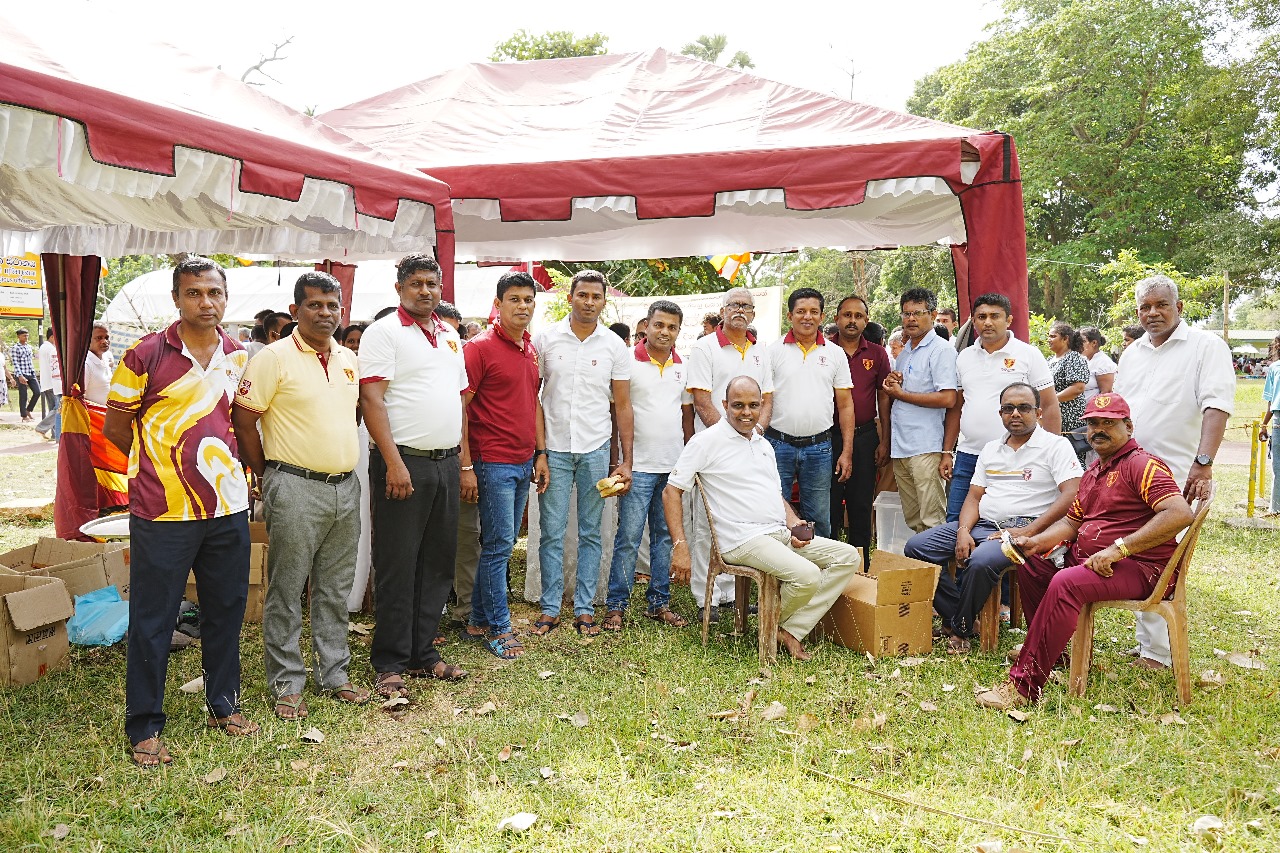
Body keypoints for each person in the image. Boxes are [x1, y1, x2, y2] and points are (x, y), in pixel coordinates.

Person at [103, 256, 258, 767]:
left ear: (225, 297)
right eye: (194, 293)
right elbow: (117, 429)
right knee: (153, 617)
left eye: (213, 292)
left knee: (226, 609)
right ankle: (145, 726)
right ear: (176, 299)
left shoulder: (238, 354)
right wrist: (159, 470)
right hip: (161, 509)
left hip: (227, 505)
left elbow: (235, 422)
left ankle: (224, 705)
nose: (205, 302)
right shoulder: (143, 355)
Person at [975, 394, 1194, 708]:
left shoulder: (1142, 465)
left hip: (1141, 567)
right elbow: (1071, 522)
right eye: (1093, 423)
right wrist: (1036, 542)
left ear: (1129, 426)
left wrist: (1119, 549)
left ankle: (1023, 686)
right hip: (1096, 562)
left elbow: (1178, 514)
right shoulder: (1095, 470)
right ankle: (1057, 655)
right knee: (1032, 564)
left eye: (1109, 422)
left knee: (1066, 584)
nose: (1099, 429)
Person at [232, 272, 369, 719]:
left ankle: (335, 674)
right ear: (295, 311)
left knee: (334, 587)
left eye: (333, 305)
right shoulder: (272, 358)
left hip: (345, 488)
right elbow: (244, 420)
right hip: (293, 485)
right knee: (288, 589)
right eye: (315, 305)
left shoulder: (349, 357)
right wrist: (267, 473)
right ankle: (288, 683)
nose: (325, 313)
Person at [663, 377, 861, 660]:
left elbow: (775, 495)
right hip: (740, 539)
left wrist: (794, 523)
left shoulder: (762, 444)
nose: (746, 412)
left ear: (761, 406)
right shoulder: (706, 441)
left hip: (776, 532)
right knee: (807, 575)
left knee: (847, 557)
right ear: (724, 405)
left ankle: (788, 628)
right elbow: (671, 492)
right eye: (738, 405)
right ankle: (771, 626)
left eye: (753, 405)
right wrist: (680, 545)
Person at [359, 254, 470, 700]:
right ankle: (389, 660)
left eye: (433, 284)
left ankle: (424, 652)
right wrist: (394, 462)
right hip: (403, 463)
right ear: (400, 287)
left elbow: (459, 399)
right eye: (417, 284)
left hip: (445, 462)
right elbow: (372, 399)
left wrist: (461, 460)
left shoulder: (449, 336)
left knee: (438, 561)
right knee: (398, 563)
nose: (426, 291)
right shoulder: (384, 332)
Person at [906, 382, 1081, 653]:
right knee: (917, 548)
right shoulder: (990, 449)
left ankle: (960, 629)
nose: (1015, 414)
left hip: (1029, 527)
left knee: (981, 561)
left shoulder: (1055, 446)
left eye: (1024, 408)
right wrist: (963, 529)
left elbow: (1072, 493)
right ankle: (959, 616)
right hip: (985, 525)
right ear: (1000, 413)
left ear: (1038, 412)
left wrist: (1030, 531)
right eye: (1008, 408)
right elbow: (974, 497)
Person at [1114, 274, 1233, 670]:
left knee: (1164, 557)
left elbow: (1216, 405)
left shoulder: (1206, 347)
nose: (1153, 313)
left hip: (1176, 477)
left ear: (1179, 308)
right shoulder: (1132, 354)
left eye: (1161, 305)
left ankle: (1160, 655)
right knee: (1136, 551)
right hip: (1131, 472)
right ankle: (1148, 644)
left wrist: (1204, 462)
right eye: (1145, 307)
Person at [531, 269, 633, 637]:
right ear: (571, 297)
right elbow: (534, 399)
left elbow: (622, 406)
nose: (589, 302)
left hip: (595, 449)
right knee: (551, 532)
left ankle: (585, 608)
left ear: (604, 301)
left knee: (592, 533)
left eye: (596, 297)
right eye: (583, 295)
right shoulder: (545, 339)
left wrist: (626, 460)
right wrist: (539, 451)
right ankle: (549, 608)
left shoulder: (614, 346)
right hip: (554, 449)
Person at [462, 271, 549, 657]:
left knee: (500, 544)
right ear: (497, 304)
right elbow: (459, 409)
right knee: (498, 546)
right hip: (490, 459)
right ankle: (499, 628)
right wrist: (465, 465)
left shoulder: (529, 349)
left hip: (522, 460)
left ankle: (479, 620)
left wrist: (540, 453)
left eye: (528, 300)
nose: (523, 306)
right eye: (514, 299)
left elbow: (533, 405)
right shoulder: (478, 348)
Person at [603, 299, 694, 631]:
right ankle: (616, 606)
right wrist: (620, 461)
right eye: (659, 325)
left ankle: (659, 603)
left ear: (679, 331)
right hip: (637, 466)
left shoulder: (685, 366)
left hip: (672, 469)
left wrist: (687, 462)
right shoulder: (627, 361)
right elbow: (617, 413)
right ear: (647, 325)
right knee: (628, 536)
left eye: (672, 327)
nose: (665, 332)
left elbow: (687, 418)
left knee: (664, 537)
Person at [685, 286, 775, 613]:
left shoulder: (759, 351)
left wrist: (757, 432)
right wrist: (729, 437)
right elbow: (702, 400)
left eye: (746, 306)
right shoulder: (705, 348)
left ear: (753, 314)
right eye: (734, 305)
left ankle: (735, 596)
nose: (740, 310)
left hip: (749, 449)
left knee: (741, 521)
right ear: (722, 311)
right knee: (707, 523)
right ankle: (706, 597)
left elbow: (767, 398)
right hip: (714, 448)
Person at [942, 293, 1060, 523]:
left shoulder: (1028, 355)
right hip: (968, 455)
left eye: (995, 316)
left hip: (1015, 456)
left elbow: (1049, 404)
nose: (987, 322)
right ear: (973, 321)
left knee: (1008, 523)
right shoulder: (963, 357)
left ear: (1008, 320)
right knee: (956, 523)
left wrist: (1053, 452)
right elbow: (957, 407)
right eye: (981, 316)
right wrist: (948, 451)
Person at [765, 288, 854, 539]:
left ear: (822, 316)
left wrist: (846, 451)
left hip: (819, 448)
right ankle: (780, 575)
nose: (807, 317)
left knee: (819, 517)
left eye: (814, 312)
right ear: (789, 315)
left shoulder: (835, 354)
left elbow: (846, 405)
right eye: (801, 311)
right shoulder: (772, 352)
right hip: (777, 444)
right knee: (775, 514)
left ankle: (821, 575)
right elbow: (763, 400)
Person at [883, 288, 958, 533]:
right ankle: (923, 571)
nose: (911, 319)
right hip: (902, 446)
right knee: (914, 521)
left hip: (926, 447)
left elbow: (949, 398)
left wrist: (901, 394)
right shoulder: (906, 350)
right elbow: (903, 390)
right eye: (906, 314)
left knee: (932, 522)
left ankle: (940, 573)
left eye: (918, 313)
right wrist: (893, 381)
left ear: (933, 314)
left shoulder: (941, 350)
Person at [828, 296, 892, 565]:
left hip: (866, 437)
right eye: (847, 315)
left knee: (861, 505)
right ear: (836, 319)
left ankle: (860, 570)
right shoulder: (825, 350)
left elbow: (884, 398)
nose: (852, 320)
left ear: (867, 320)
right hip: (828, 439)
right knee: (829, 506)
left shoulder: (877, 354)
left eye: (858, 316)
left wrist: (884, 440)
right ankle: (830, 566)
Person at [1046, 322, 1091, 465]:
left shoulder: (1074, 358)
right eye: (1049, 336)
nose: (1049, 339)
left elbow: (1077, 388)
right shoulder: (1049, 361)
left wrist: (1051, 400)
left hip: (1070, 419)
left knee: (1071, 459)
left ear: (1065, 339)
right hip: (1052, 416)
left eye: (1053, 336)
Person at [36, 328, 62, 441]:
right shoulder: (51, 349)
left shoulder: (43, 347)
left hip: (46, 382)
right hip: (53, 383)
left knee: (53, 409)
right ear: (52, 337)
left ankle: (55, 434)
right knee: (58, 409)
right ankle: (42, 427)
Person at [1079, 326, 1116, 404]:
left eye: (1083, 341)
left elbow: (1106, 394)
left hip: (1092, 412)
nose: (1079, 345)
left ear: (1094, 343)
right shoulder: (1084, 359)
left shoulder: (1103, 362)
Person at [9, 328, 39, 420]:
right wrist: (20, 375)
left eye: (27, 335)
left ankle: (28, 410)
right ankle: (24, 415)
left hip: (30, 373)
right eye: (24, 335)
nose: (26, 337)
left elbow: (30, 361)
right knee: (23, 395)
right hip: (21, 373)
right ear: (19, 336)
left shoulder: (29, 347)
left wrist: (33, 372)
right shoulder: (15, 348)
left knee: (37, 392)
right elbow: (15, 363)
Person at [83, 322, 114, 405]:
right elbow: (79, 399)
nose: (104, 341)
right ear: (88, 340)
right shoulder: (86, 364)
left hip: (105, 414)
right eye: (99, 338)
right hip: (92, 416)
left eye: (106, 337)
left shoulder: (105, 359)